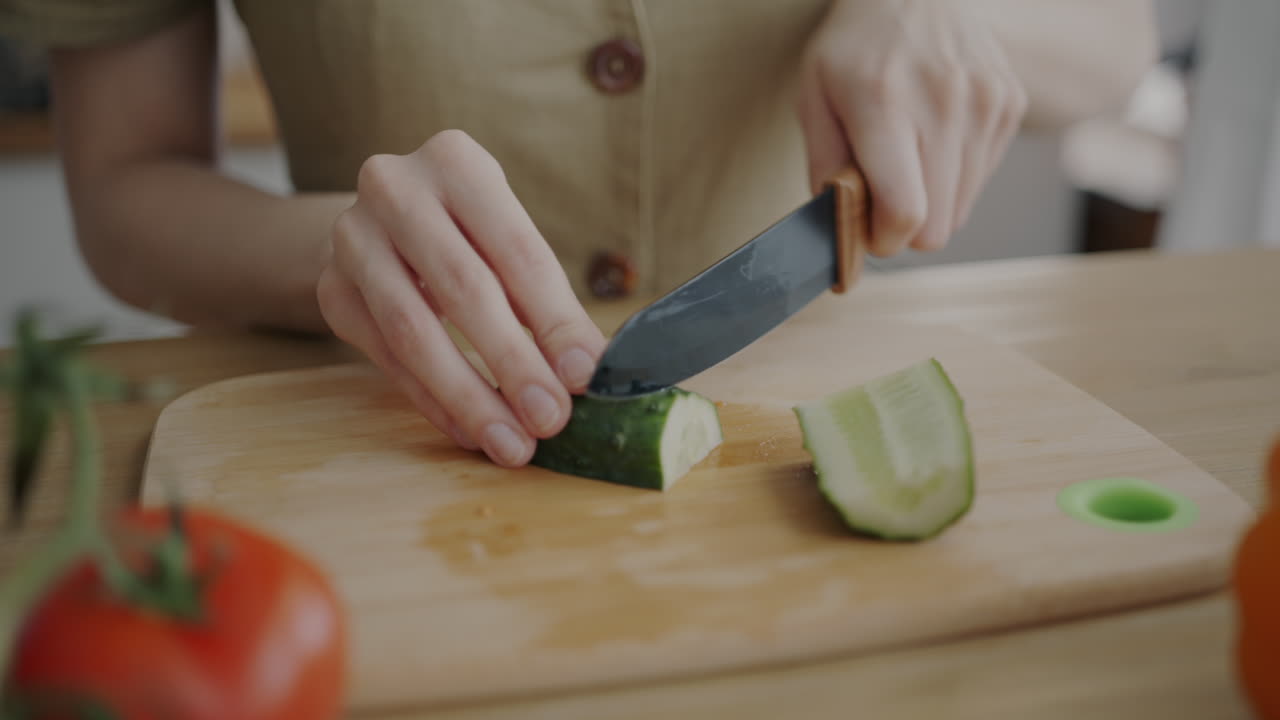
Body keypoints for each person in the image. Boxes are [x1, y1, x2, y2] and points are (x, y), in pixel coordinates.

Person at [0, 1, 1158, 467]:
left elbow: (1117, 35)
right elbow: (124, 182)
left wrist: (957, 11)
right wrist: (329, 250)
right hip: (379, 431)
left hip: (816, 390)